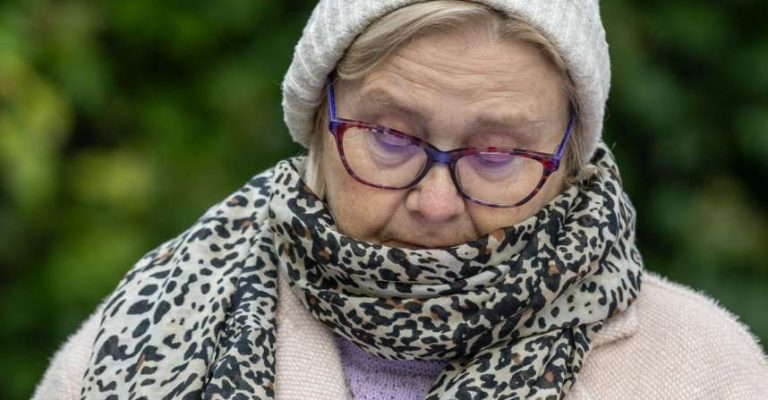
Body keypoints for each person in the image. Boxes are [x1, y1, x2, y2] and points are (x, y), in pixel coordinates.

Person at [33, 1, 768, 399]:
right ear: (318, 124)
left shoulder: (703, 371)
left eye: (497, 153)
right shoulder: (140, 335)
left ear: (569, 161)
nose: (435, 203)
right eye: (389, 137)